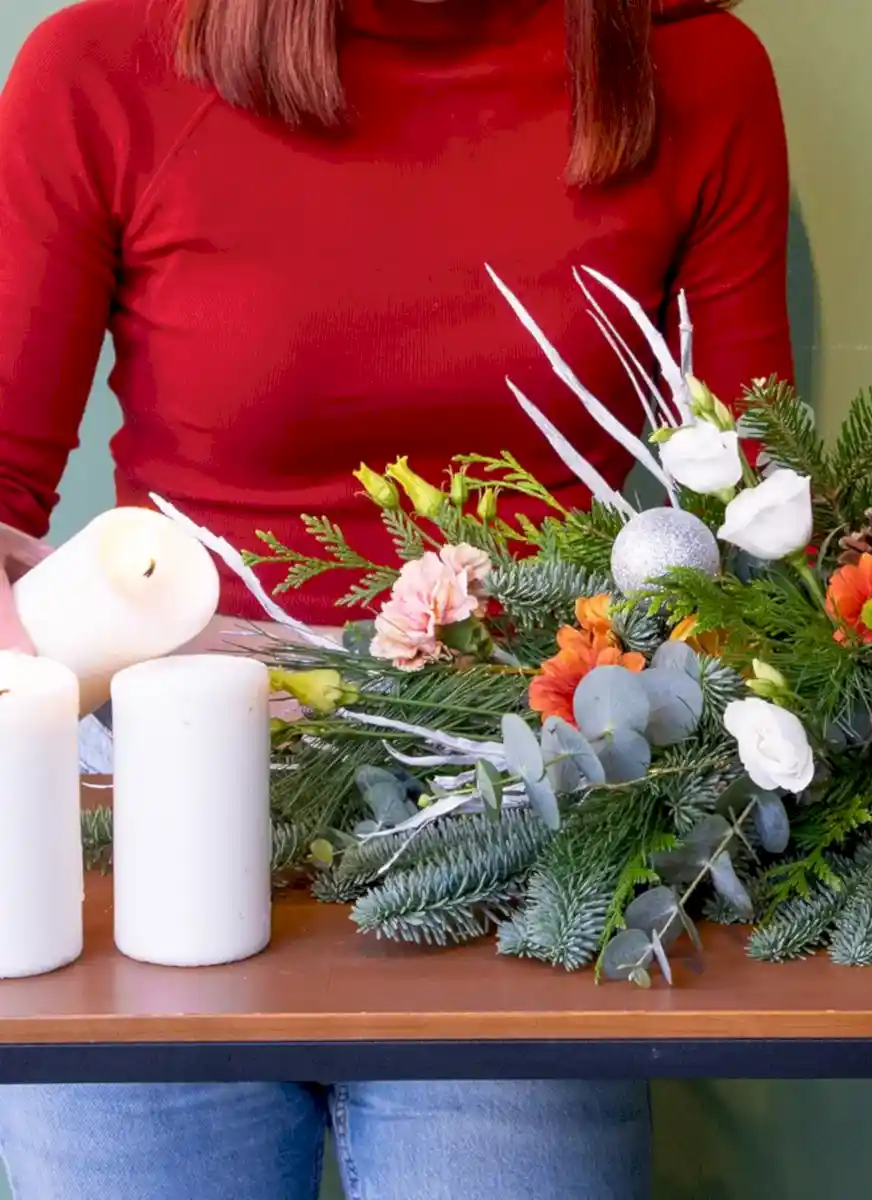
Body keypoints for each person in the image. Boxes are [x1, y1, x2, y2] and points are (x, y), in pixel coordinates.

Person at [0, 0, 793, 1195]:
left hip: (523, 845)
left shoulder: (692, 69)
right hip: (151, 842)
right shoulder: (105, 66)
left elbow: (754, 522)